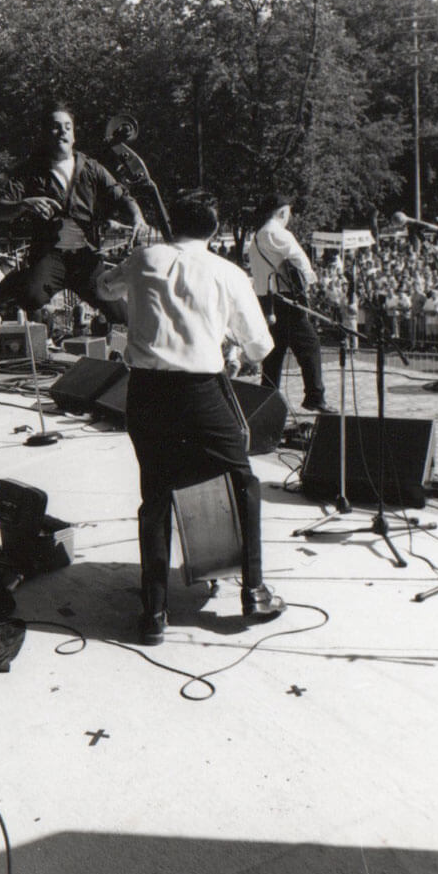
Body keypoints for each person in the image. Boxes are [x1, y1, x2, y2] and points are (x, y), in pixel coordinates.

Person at [97, 193, 285, 645]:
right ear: (215, 231)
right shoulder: (229, 272)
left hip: (147, 392)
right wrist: (230, 345)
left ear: (170, 225)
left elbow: (105, 288)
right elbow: (261, 346)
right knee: (242, 481)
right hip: (202, 392)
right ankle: (253, 590)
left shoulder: (144, 257)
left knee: (157, 494)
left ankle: (154, 611)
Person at [0, 102, 147, 324]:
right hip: (50, 255)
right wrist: (25, 204)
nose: (62, 131)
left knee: (120, 314)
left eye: (67, 127)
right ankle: (20, 280)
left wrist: (137, 218)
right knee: (31, 297)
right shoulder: (29, 170)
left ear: (74, 135)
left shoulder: (92, 167)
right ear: (45, 135)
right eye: (55, 127)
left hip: (85, 257)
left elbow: (122, 196)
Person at [247, 192, 336, 413]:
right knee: (310, 345)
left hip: (267, 300)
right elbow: (300, 260)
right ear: (282, 212)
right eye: (289, 213)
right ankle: (314, 396)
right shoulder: (278, 233)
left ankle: (266, 401)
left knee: (274, 353)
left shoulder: (257, 236)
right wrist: (311, 281)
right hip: (286, 299)